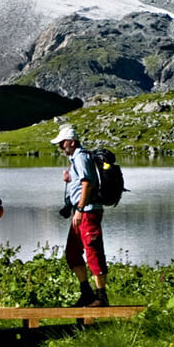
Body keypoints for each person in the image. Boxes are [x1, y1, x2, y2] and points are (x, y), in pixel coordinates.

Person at [51, 124, 108, 307]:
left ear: (72, 142)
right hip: (81, 211)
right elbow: (81, 181)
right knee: (73, 252)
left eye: (62, 143)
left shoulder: (81, 157)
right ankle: (87, 293)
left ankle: (101, 296)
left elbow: (87, 183)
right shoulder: (76, 159)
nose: (61, 147)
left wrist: (80, 209)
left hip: (87, 211)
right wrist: (70, 180)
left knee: (93, 250)